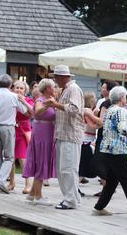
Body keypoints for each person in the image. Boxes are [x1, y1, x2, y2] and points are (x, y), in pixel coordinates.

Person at [89, 86, 127, 221]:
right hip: (118, 150)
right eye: (125, 96)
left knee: (112, 181)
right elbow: (123, 129)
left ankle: (98, 207)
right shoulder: (121, 111)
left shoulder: (110, 110)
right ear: (122, 98)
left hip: (108, 149)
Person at [44, 65, 85, 210]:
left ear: (62, 77)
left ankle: (70, 200)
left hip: (70, 134)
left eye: (55, 77)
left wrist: (56, 104)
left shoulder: (73, 89)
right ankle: (72, 197)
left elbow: (75, 109)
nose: (55, 80)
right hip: (63, 134)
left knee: (68, 168)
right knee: (63, 169)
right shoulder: (66, 89)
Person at [23, 78, 56, 206]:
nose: (54, 88)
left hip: (46, 132)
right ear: (47, 88)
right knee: (41, 161)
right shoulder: (41, 100)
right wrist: (49, 104)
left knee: (41, 161)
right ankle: (38, 196)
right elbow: (37, 112)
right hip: (42, 134)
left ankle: (32, 194)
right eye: (53, 87)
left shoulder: (49, 99)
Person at [9, 80, 34, 193]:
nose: (19, 90)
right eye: (17, 87)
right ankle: (11, 182)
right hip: (11, 130)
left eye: (21, 88)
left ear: (25, 91)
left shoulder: (29, 100)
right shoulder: (10, 99)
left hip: (24, 132)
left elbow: (33, 113)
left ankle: (28, 184)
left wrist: (23, 102)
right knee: (10, 159)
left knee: (23, 158)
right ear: (13, 89)